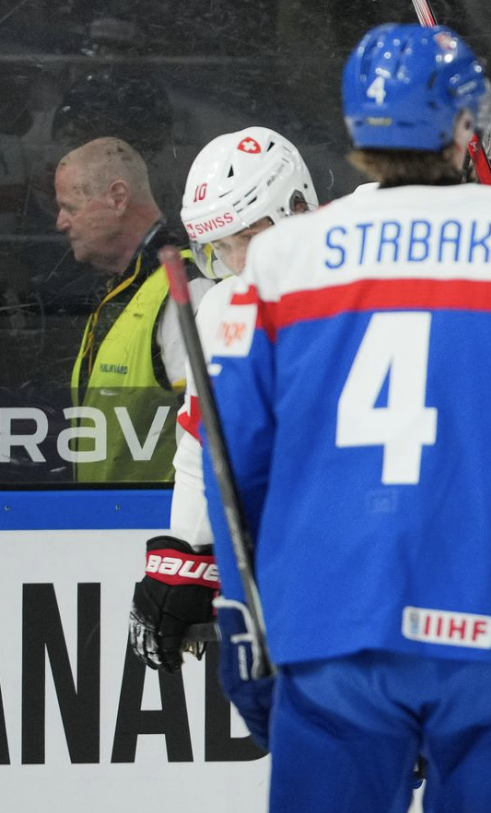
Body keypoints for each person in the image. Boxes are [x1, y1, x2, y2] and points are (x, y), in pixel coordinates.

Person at [199, 24, 491, 813]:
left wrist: (240, 607)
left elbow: (232, 462)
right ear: (467, 124)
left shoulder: (278, 261)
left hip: (330, 628)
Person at [126, 127, 318, 748]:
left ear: (298, 207)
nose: (239, 264)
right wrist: (184, 557)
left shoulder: (385, 277)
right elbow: (200, 447)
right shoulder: (224, 310)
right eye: (222, 247)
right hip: (299, 578)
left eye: (250, 239)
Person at [53, 136, 209, 482]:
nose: (60, 222)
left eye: (70, 208)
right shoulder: (123, 292)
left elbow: (209, 439)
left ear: (117, 198)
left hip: (160, 528)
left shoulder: (184, 289)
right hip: (111, 526)